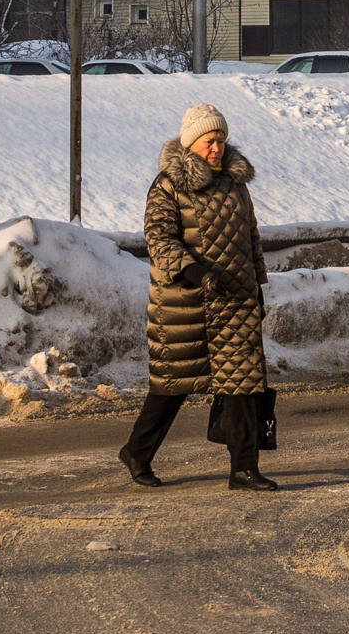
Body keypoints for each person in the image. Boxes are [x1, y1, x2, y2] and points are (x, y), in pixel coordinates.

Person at [118, 102, 279, 491]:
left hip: (234, 300)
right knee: (173, 386)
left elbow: (251, 237)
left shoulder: (235, 183)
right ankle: (137, 452)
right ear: (191, 144)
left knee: (242, 384)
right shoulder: (168, 185)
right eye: (209, 141)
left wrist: (257, 284)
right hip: (185, 300)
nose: (217, 148)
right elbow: (158, 238)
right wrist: (193, 271)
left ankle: (243, 468)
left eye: (221, 140)